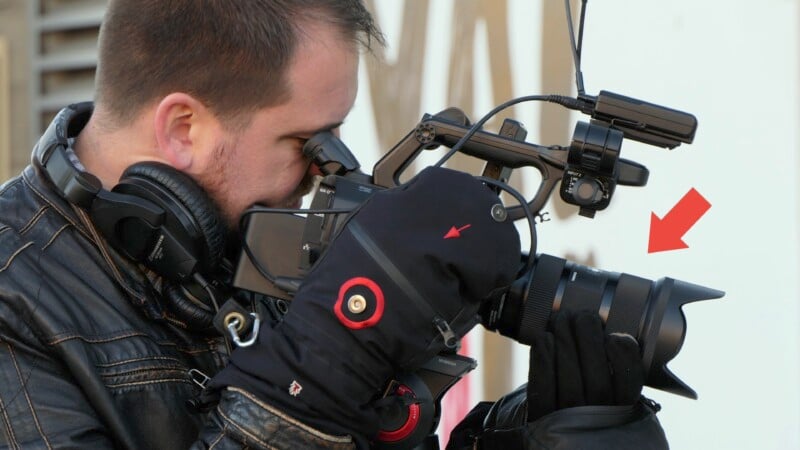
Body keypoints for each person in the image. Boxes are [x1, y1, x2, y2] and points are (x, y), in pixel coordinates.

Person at [0, 1, 668, 449]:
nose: (329, 173)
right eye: (307, 143)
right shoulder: (13, 300)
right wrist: (321, 362)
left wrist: (525, 435)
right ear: (184, 128)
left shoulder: (243, 244)